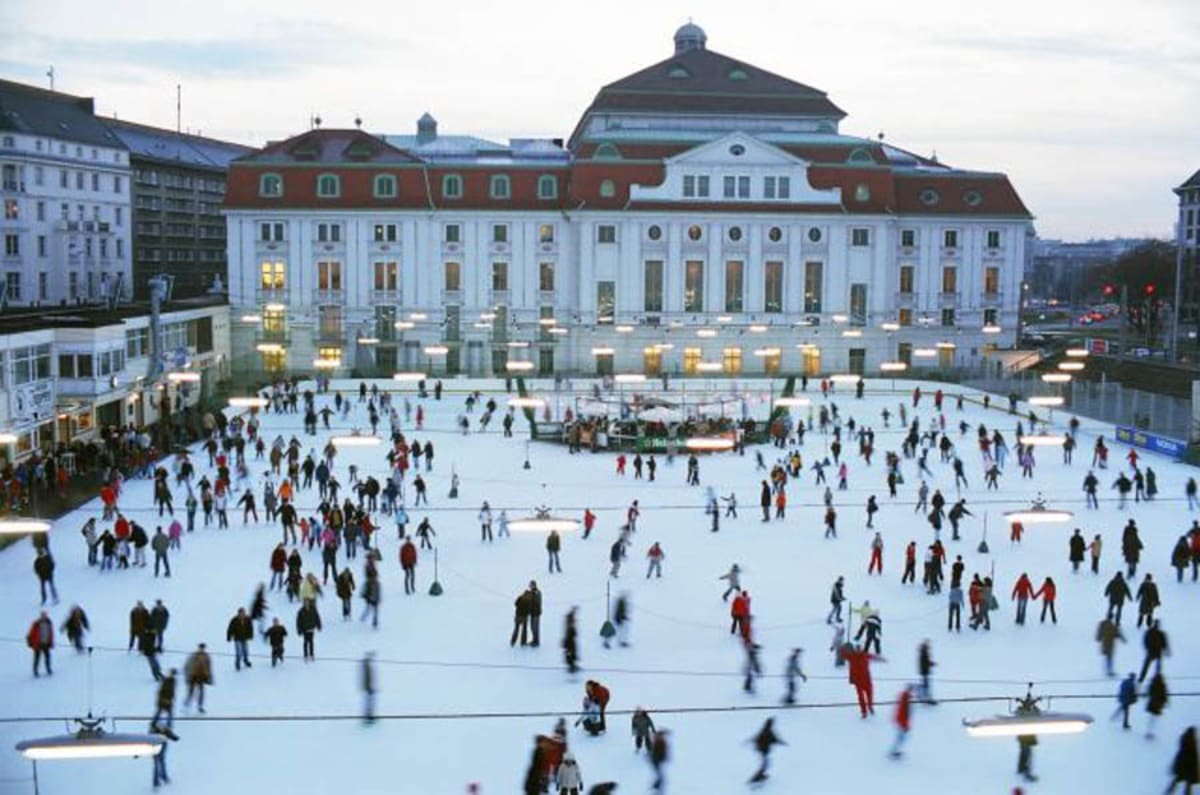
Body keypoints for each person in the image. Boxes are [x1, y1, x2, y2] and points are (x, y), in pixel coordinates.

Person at [749, 717, 785, 783]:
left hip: (762, 749)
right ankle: (757, 777)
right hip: (763, 749)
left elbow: (757, 737)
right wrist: (781, 742)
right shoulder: (768, 731)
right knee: (765, 764)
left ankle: (759, 776)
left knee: (765, 764)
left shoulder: (765, 729)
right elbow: (774, 739)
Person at [1167, 726, 1198, 794]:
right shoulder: (1193, 743)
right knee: (1188, 784)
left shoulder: (1183, 740)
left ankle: (1169, 792)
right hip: (1189, 767)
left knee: (1176, 780)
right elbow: (1194, 756)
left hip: (1181, 765)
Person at [183, 643, 212, 713]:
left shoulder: (206, 656)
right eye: (201, 648)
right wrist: (187, 675)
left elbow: (208, 667)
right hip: (193, 676)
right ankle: (186, 705)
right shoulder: (193, 655)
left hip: (201, 676)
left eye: (203, 648)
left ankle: (200, 706)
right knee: (191, 692)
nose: (202, 649)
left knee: (201, 692)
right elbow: (187, 665)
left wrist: (208, 676)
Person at [888, 685, 914, 759]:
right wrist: (906, 726)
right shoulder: (906, 701)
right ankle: (894, 751)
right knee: (901, 738)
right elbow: (905, 714)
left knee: (900, 737)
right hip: (902, 722)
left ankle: (894, 750)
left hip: (900, 721)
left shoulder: (904, 697)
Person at [27, 611, 54, 677]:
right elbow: (31, 633)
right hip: (38, 644)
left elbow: (51, 634)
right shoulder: (36, 624)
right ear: (41, 616)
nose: (44, 617)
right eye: (43, 616)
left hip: (46, 643)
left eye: (45, 615)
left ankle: (48, 669)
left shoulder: (49, 623)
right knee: (37, 658)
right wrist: (30, 642)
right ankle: (35, 671)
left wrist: (51, 642)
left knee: (47, 657)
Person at [1146, 671, 1169, 739]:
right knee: (1154, 718)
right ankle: (1150, 732)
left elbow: (1149, 692)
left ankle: (1149, 731)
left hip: (1152, 703)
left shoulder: (1152, 683)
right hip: (1158, 704)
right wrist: (1166, 702)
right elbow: (1164, 694)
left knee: (1151, 718)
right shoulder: (1162, 685)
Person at [361, 652, 377, 725]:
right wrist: (369, 687)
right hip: (368, 687)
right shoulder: (367, 666)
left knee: (369, 701)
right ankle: (369, 716)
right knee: (369, 701)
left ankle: (369, 715)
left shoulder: (367, 665)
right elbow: (367, 678)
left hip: (369, 687)